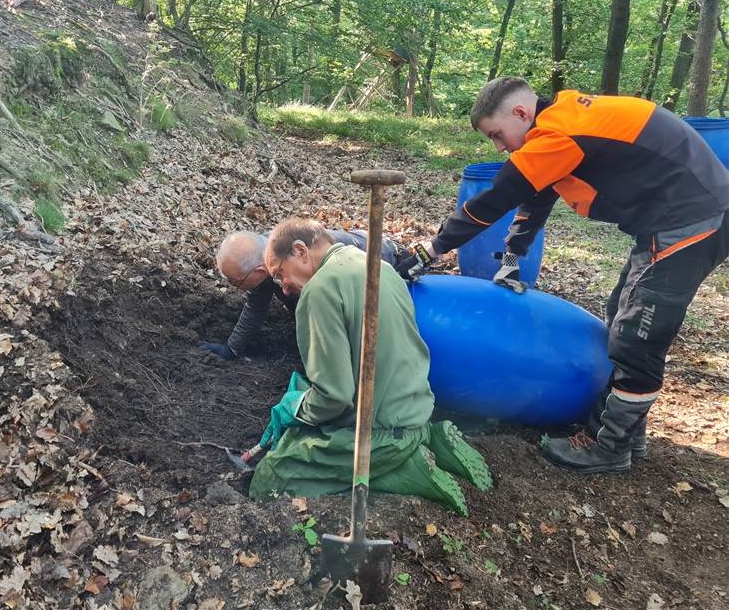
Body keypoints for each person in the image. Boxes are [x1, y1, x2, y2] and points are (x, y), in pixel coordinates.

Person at [396, 77, 729, 474]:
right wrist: (514, 253)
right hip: (680, 215)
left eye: (497, 135)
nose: (500, 148)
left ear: (521, 112)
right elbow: (537, 193)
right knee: (622, 313)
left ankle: (609, 447)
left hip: (693, 218)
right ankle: (626, 432)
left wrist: (430, 250)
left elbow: (496, 198)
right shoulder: (563, 119)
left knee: (637, 334)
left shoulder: (558, 133)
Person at [248, 218, 491, 515]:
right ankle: (431, 439)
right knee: (304, 398)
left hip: (382, 434)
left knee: (271, 475)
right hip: (416, 409)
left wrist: (294, 410)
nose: (283, 289)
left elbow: (334, 397)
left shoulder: (319, 291)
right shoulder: (378, 266)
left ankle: (406, 471)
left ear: (300, 251)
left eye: (280, 274)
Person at [199, 228, 411, 360]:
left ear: (260, 271)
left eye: (237, 283)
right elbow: (256, 307)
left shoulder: (312, 261)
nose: (237, 288)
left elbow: (346, 315)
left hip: (388, 257)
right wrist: (232, 349)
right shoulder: (264, 257)